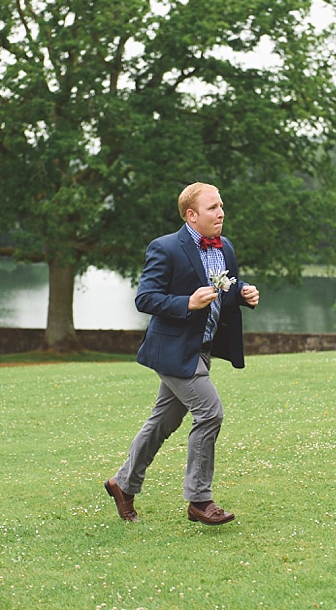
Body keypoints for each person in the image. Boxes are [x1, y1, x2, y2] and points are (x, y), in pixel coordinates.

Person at [104, 182, 260, 525]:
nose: (220, 213)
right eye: (212, 208)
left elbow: (224, 292)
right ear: (191, 215)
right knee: (210, 412)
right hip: (172, 350)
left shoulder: (225, 248)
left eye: (221, 206)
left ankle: (123, 484)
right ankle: (200, 500)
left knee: (164, 420)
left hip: (201, 350)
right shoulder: (165, 248)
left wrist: (243, 295)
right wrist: (186, 303)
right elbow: (145, 298)